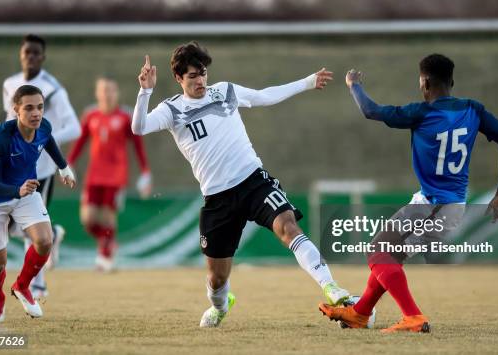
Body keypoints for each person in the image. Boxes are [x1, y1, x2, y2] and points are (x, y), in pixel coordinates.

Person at [132, 41, 350, 327]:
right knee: (217, 277)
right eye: (193, 76)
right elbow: (138, 127)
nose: (201, 81)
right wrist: (145, 91)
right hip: (217, 198)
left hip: (252, 181)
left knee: (287, 226)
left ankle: (330, 286)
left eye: (203, 73)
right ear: (178, 78)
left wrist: (307, 82)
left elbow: (264, 96)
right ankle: (221, 306)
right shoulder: (172, 110)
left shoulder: (224, 92)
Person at [318, 54, 498, 333]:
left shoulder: (421, 112)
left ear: (424, 82)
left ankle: (413, 316)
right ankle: (360, 313)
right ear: (452, 82)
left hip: (434, 206)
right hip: (450, 205)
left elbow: (370, 110)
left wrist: (354, 85)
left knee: (378, 252)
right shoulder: (473, 109)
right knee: (389, 258)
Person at [0, 85, 76, 322]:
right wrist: (14, 190)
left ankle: (21, 286)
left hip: (25, 192)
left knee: (44, 240)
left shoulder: (43, 126)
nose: (36, 113)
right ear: (16, 110)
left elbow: (48, 141)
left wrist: (63, 167)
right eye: (29, 108)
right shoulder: (1, 138)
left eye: (39, 107)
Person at [3, 34, 81, 299]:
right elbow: (11, 120)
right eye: (27, 53)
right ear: (21, 54)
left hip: (43, 168)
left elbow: (74, 127)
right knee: (8, 225)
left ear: (43, 57)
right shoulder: (10, 84)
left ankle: (37, 285)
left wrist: (41, 142)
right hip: (14, 164)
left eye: (37, 53)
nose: (31, 58)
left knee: (32, 221)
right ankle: (54, 235)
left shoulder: (53, 88)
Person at [67, 77, 152, 272]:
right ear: (97, 93)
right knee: (87, 218)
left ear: (117, 93)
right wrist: (68, 164)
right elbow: (80, 142)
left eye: (111, 90)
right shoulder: (90, 115)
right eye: (103, 90)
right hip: (94, 175)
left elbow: (138, 146)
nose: (107, 94)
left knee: (107, 217)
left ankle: (105, 256)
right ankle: (108, 243)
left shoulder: (125, 117)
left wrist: (145, 172)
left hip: (116, 176)